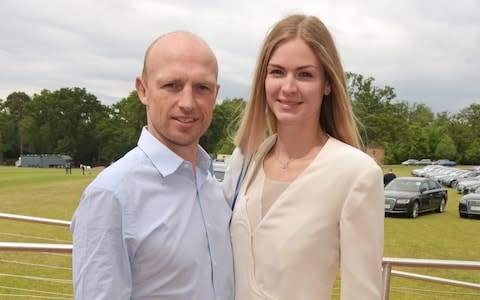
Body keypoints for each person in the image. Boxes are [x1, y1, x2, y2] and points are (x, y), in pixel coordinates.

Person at [223, 14, 384, 299]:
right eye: (277, 72)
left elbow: (362, 292)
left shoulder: (356, 173)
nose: (288, 87)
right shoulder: (244, 160)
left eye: (305, 74)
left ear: (327, 84)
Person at [70, 31, 234, 299]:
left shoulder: (213, 190)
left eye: (202, 88)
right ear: (143, 90)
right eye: (172, 85)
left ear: (215, 95)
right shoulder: (111, 196)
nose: (188, 103)